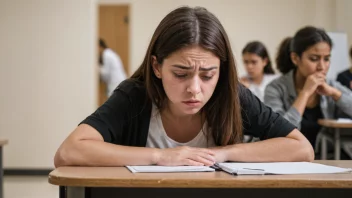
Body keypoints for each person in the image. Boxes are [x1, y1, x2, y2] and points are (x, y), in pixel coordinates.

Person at [54, 7, 313, 168]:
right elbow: (69, 151)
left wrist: (222, 154)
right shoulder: (135, 95)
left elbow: (301, 148)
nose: (195, 89)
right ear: (156, 67)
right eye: (181, 73)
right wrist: (160, 156)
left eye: (208, 74)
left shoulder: (230, 93)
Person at [265, 27, 352, 149]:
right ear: (295, 58)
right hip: (286, 159)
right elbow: (278, 132)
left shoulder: (330, 85)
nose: (322, 66)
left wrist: (335, 94)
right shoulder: (276, 88)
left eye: (326, 59)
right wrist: (305, 94)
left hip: (326, 159)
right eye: (314, 59)